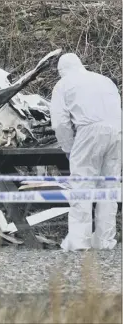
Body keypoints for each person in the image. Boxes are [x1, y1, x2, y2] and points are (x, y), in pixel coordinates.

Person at [50, 53, 122, 251]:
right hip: (117, 131)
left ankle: (79, 242)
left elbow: (60, 123)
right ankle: (105, 242)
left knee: (82, 185)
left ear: (61, 71)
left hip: (89, 131)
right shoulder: (105, 80)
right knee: (109, 186)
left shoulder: (63, 85)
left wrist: (69, 148)